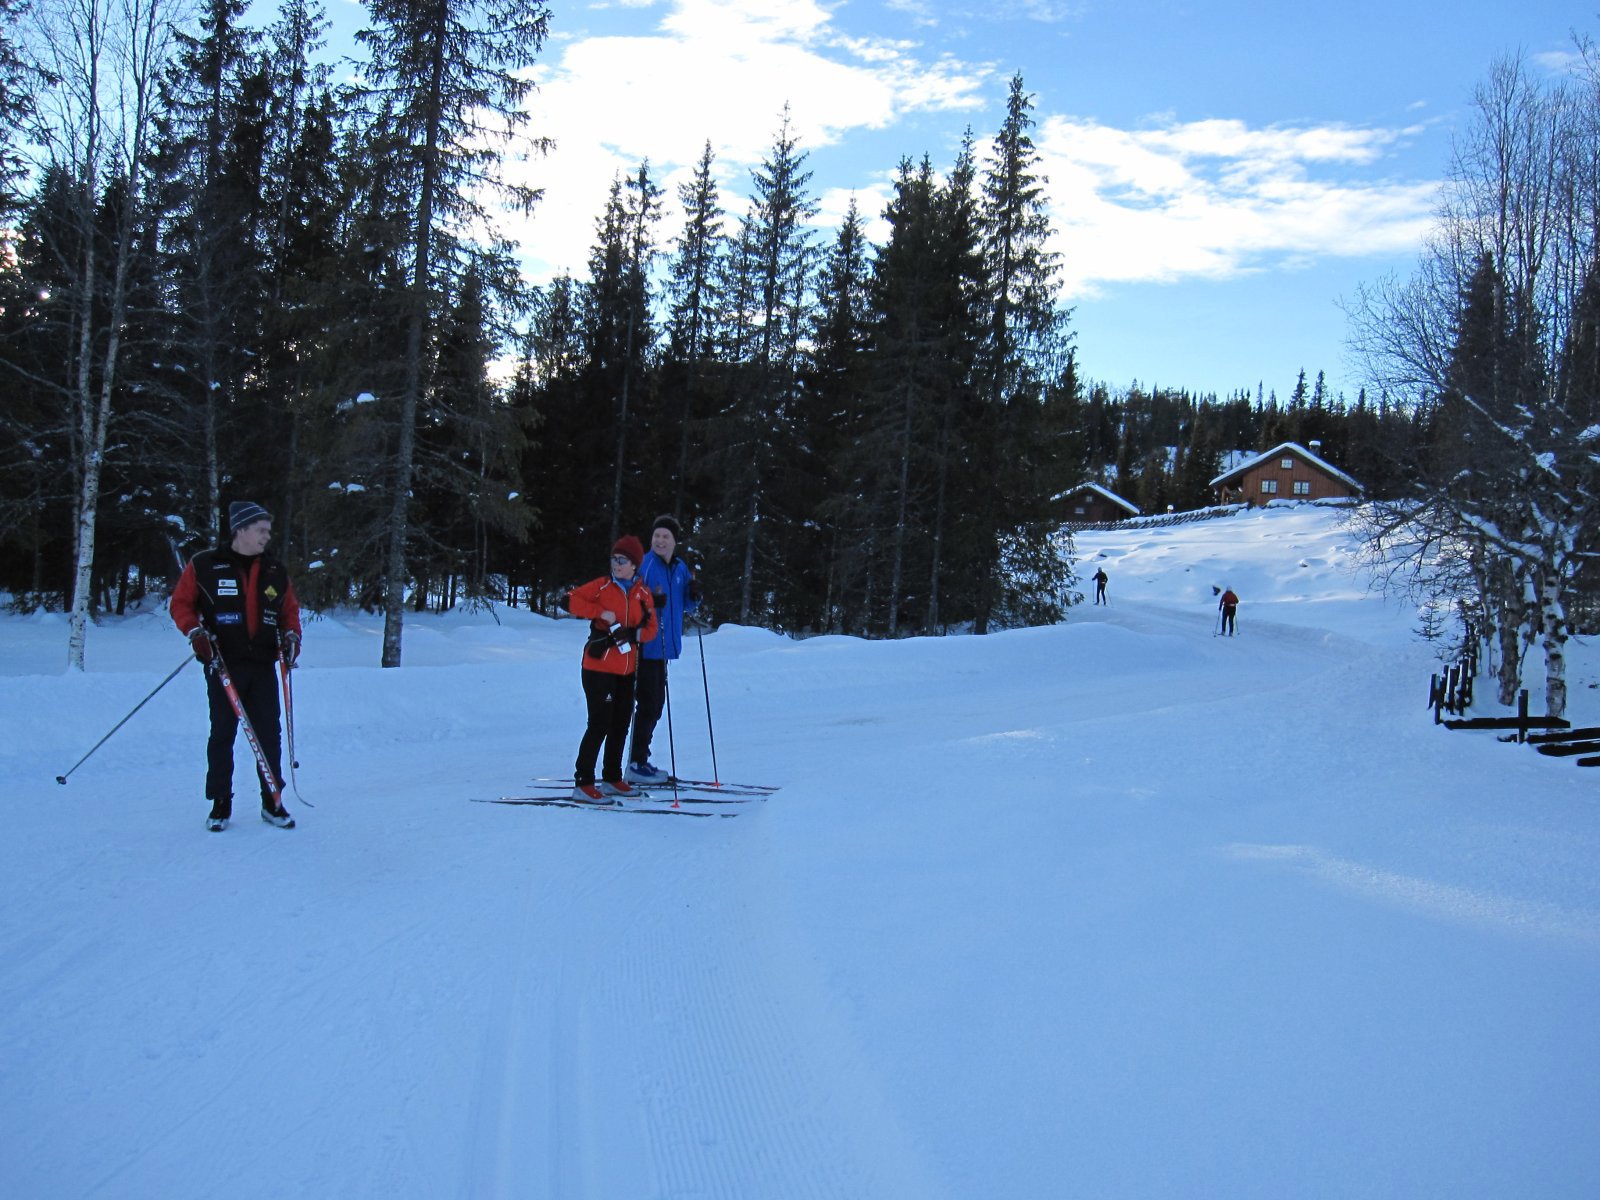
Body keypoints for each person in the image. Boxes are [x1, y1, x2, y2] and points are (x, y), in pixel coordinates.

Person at [170, 500, 302, 831]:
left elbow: (290, 612)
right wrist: (195, 632)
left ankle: (272, 801)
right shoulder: (205, 565)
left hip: (262, 664)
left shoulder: (274, 570)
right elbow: (181, 604)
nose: (266, 537)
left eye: (268, 531)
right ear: (240, 530)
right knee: (223, 733)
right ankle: (220, 803)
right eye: (260, 530)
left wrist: (291, 637)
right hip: (223, 664)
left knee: (269, 734)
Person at [562, 535, 658, 802]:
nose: (616, 564)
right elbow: (568, 601)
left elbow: (651, 629)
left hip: (627, 670)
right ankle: (583, 782)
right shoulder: (602, 587)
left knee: (620, 724)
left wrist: (632, 635)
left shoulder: (642, 593)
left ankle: (613, 778)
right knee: (599, 724)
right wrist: (599, 613)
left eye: (622, 560)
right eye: (614, 559)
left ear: (634, 565)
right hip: (598, 668)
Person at [627, 515, 700, 784]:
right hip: (645, 646)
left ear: (674, 541)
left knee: (656, 705)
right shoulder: (645, 565)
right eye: (656, 536)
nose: (660, 540)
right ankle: (635, 763)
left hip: (664, 648)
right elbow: (629, 598)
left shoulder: (680, 568)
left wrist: (694, 593)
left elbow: (687, 606)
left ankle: (640, 761)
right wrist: (647, 602)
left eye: (665, 536)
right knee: (648, 704)